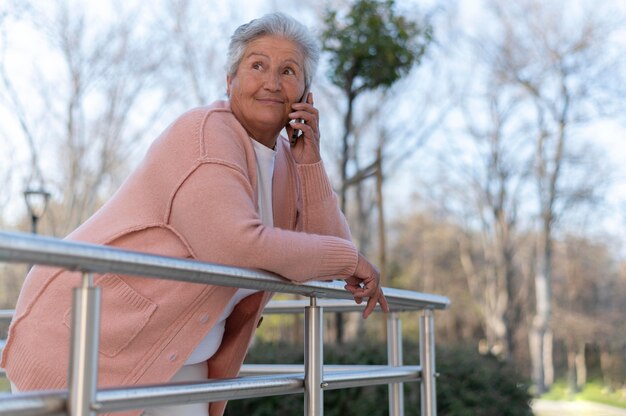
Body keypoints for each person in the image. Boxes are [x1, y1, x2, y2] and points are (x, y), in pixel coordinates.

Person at [0, 12, 388, 416]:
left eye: (288, 71)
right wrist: (349, 261)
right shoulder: (206, 134)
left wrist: (310, 162)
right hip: (83, 340)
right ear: (229, 81)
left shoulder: (289, 163)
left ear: (306, 94)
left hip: (178, 353)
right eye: (257, 65)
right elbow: (235, 244)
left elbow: (334, 253)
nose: (272, 81)